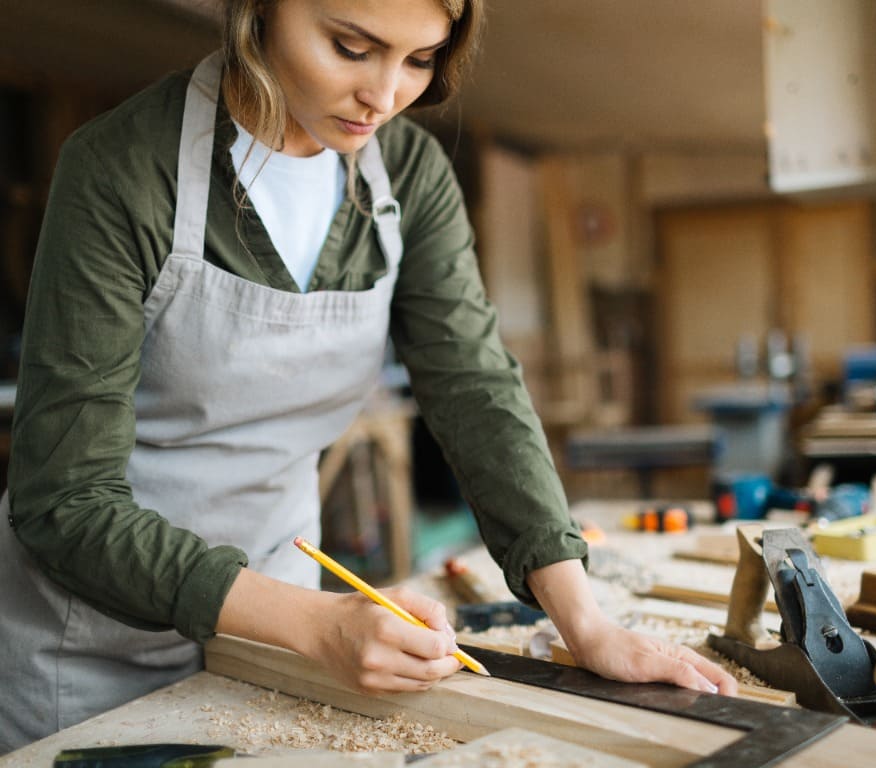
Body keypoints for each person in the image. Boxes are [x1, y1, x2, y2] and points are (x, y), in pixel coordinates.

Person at [0, 0, 737, 751]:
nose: (384, 97)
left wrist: (584, 621)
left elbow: (475, 385)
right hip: (93, 636)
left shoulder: (409, 176)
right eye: (352, 47)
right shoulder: (124, 167)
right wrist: (315, 622)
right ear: (261, 12)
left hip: (276, 622)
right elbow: (64, 499)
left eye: (420, 60)